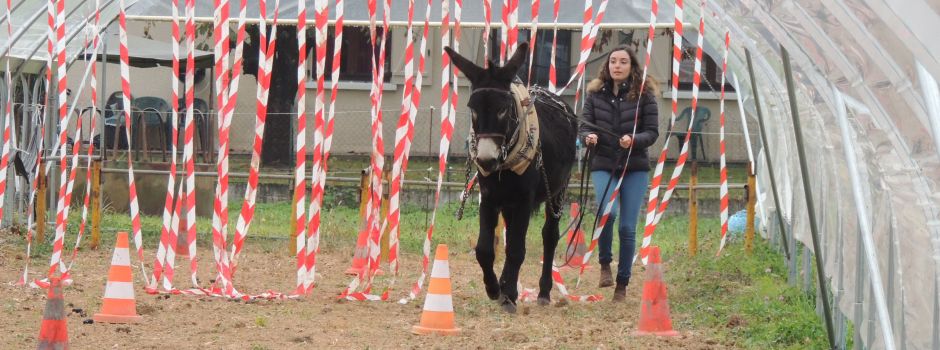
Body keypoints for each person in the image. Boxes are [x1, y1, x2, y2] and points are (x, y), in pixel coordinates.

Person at [579, 45, 660, 302]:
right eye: (613, 61)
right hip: (603, 162)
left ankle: (622, 283)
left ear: (631, 66)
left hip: (634, 165)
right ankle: (605, 265)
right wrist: (588, 137)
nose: (617, 66)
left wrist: (633, 140)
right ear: (607, 66)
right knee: (607, 213)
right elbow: (583, 126)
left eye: (623, 62)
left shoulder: (645, 96)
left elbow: (652, 132)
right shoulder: (594, 95)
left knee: (627, 227)